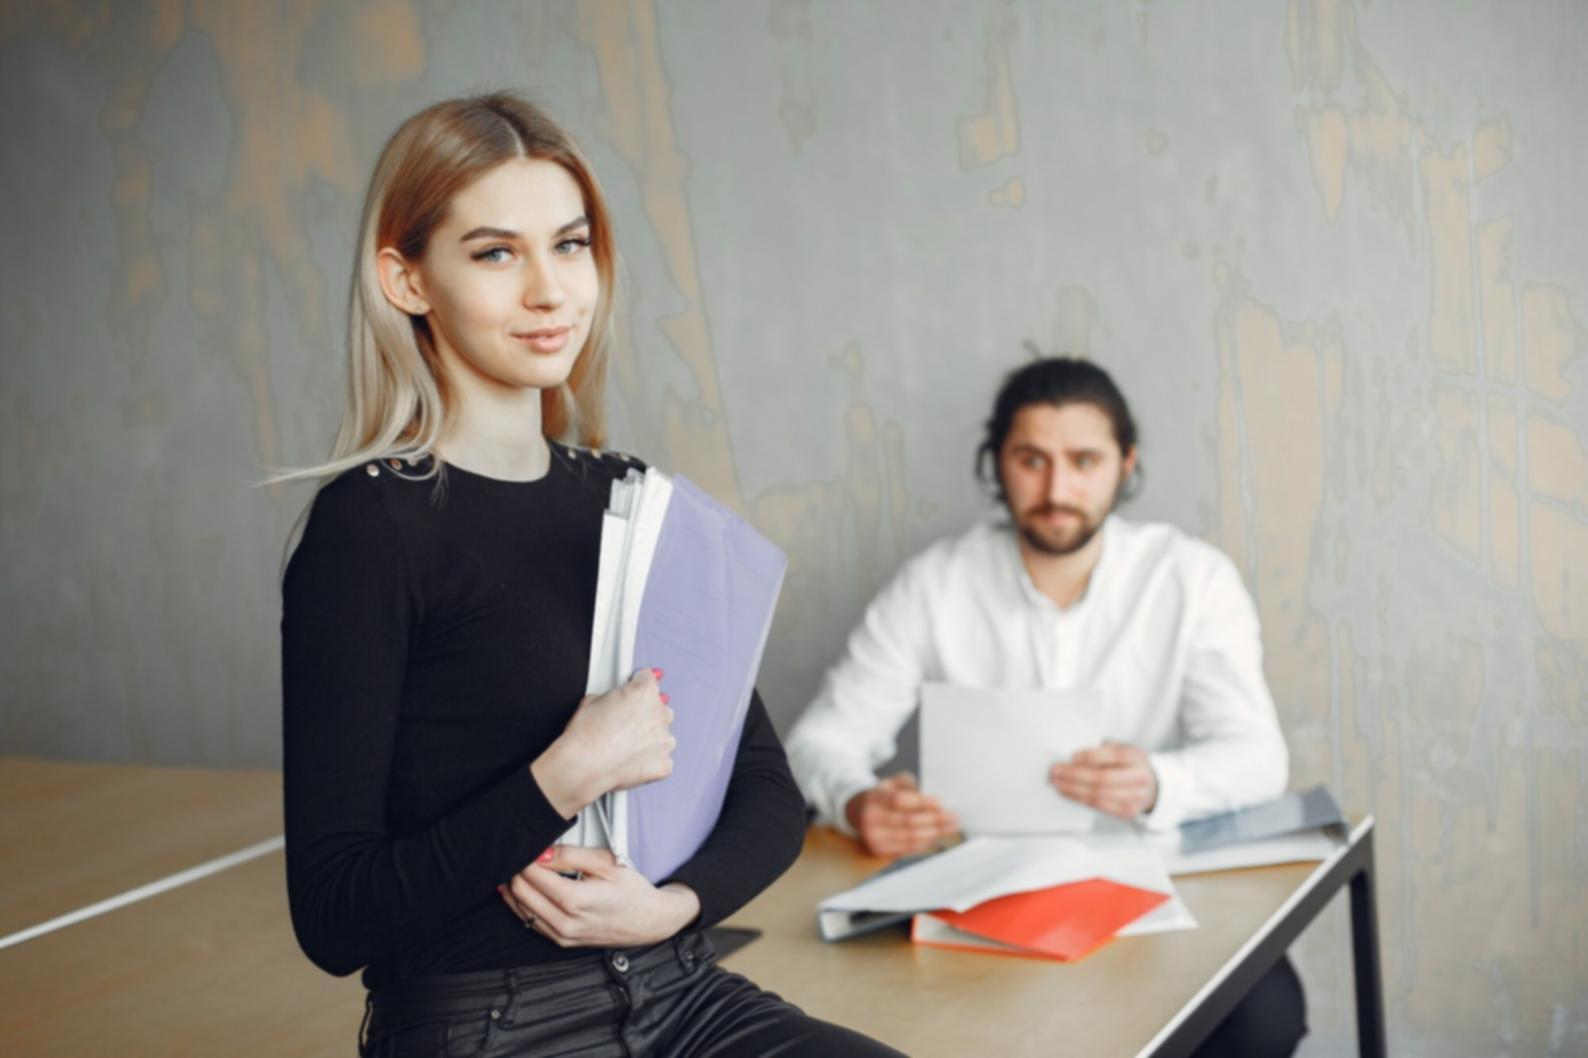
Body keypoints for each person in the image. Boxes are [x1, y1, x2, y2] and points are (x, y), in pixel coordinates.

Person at [279, 92, 901, 1058]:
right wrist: (560, 778)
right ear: (406, 280)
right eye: (495, 253)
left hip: (682, 991)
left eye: (569, 246)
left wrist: (671, 909)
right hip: (487, 1027)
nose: (550, 291)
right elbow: (334, 916)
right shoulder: (370, 527)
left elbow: (770, 791)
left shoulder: (634, 502)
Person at [785, 356, 1307, 1057]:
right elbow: (819, 743)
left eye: (1084, 460)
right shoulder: (935, 585)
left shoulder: (1191, 579)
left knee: (1262, 1015)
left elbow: (1258, 759)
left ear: (1126, 464)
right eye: (1032, 460)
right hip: (976, 891)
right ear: (996, 464)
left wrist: (1157, 782)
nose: (1057, 489)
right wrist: (857, 802)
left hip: (1145, 881)